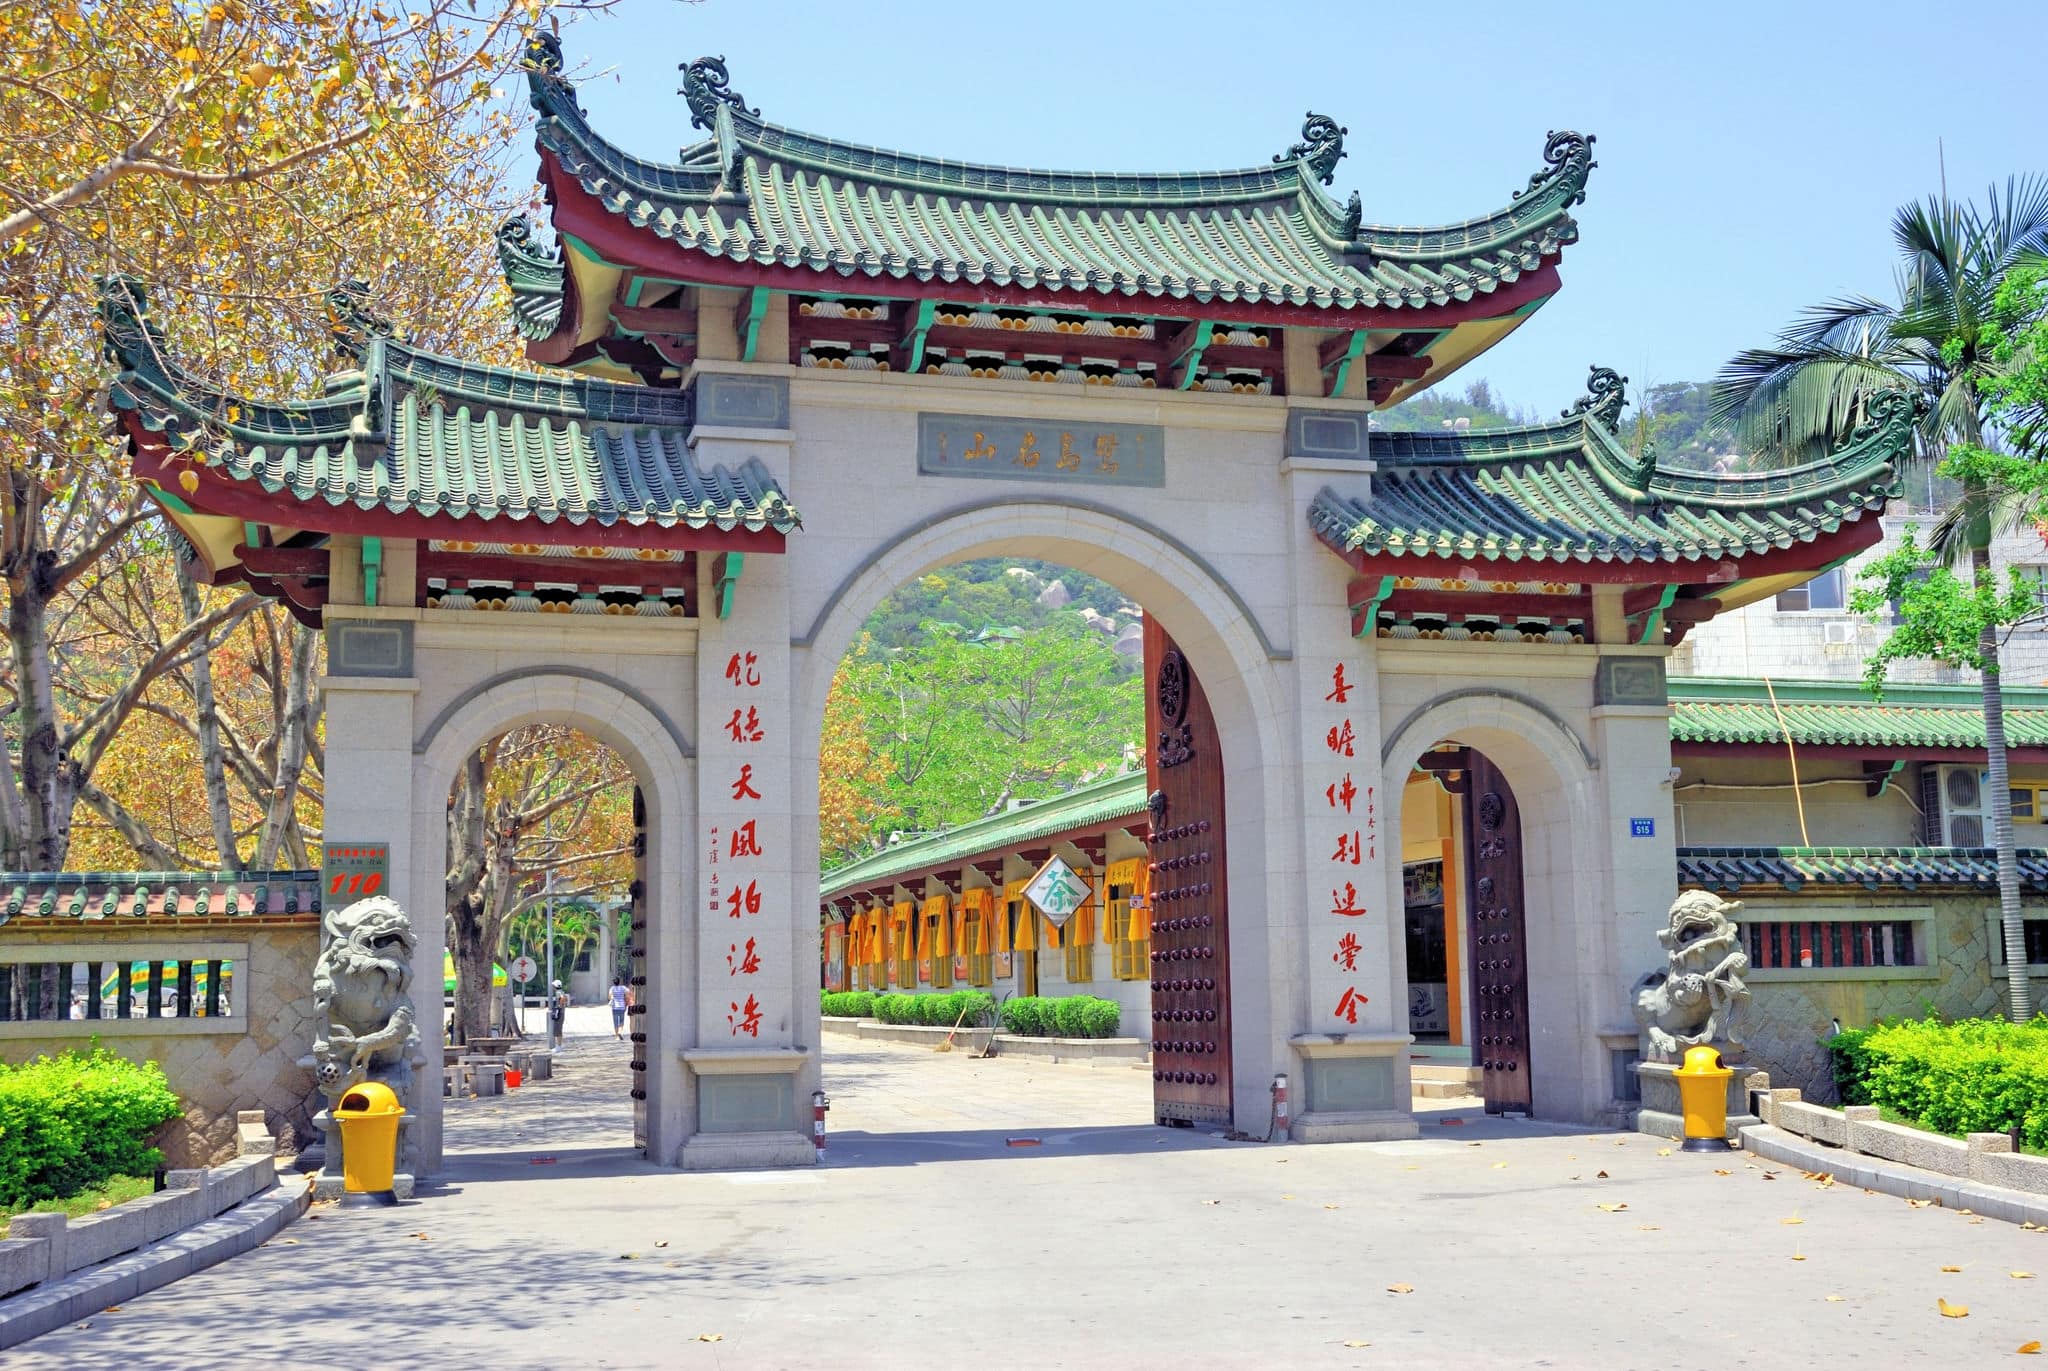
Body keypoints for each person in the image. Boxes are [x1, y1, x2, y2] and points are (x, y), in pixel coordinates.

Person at [608, 975, 633, 1041]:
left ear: (613, 982)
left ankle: (617, 1036)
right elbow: (628, 994)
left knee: (615, 1022)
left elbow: (609, 997)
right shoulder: (623, 988)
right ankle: (620, 1032)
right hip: (622, 1007)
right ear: (619, 982)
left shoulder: (612, 988)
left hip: (614, 1008)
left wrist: (612, 997)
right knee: (621, 1021)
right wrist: (626, 1003)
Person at [548, 980, 570, 1048]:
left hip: (559, 1013)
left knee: (557, 1030)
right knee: (559, 1029)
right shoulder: (562, 992)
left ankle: (559, 1046)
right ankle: (559, 1045)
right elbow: (565, 999)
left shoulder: (558, 992)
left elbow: (563, 998)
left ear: (555, 986)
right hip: (561, 1013)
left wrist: (559, 1007)